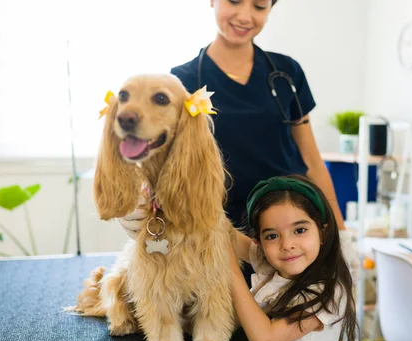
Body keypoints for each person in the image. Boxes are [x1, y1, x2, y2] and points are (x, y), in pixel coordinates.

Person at [119, 0, 358, 282]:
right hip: (220, 234)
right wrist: (142, 206)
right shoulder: (181, 83)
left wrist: (340, 232)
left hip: (290, 234)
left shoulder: (286, 73)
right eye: (234, 1)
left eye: (259, 6)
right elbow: (169, 164)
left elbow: (312, 161)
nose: (245, 16)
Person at [229, 175, 357, 341]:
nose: (287, 245)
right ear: (259, 243)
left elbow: (264, 338)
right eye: (272, 236)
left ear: (322, 233)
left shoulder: (328, 293)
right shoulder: (273, 266)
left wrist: (229, 270)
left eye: (299, 230)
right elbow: (225, 236)